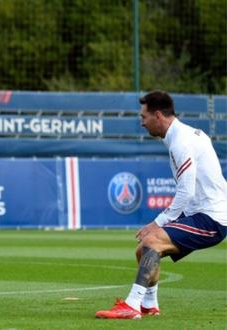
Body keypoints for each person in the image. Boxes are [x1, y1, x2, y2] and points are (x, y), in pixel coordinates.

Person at [95, 91, 227, 319]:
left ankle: (131, 305)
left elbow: (186, 191)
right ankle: (149, 305)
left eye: (144, 117)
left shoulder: (181, 142)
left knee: (152, 240)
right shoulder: (185, 135)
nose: (141, 122)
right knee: (143, 250)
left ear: (158, 115)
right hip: (205, 212)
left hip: (212, 218)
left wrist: (157, 223)